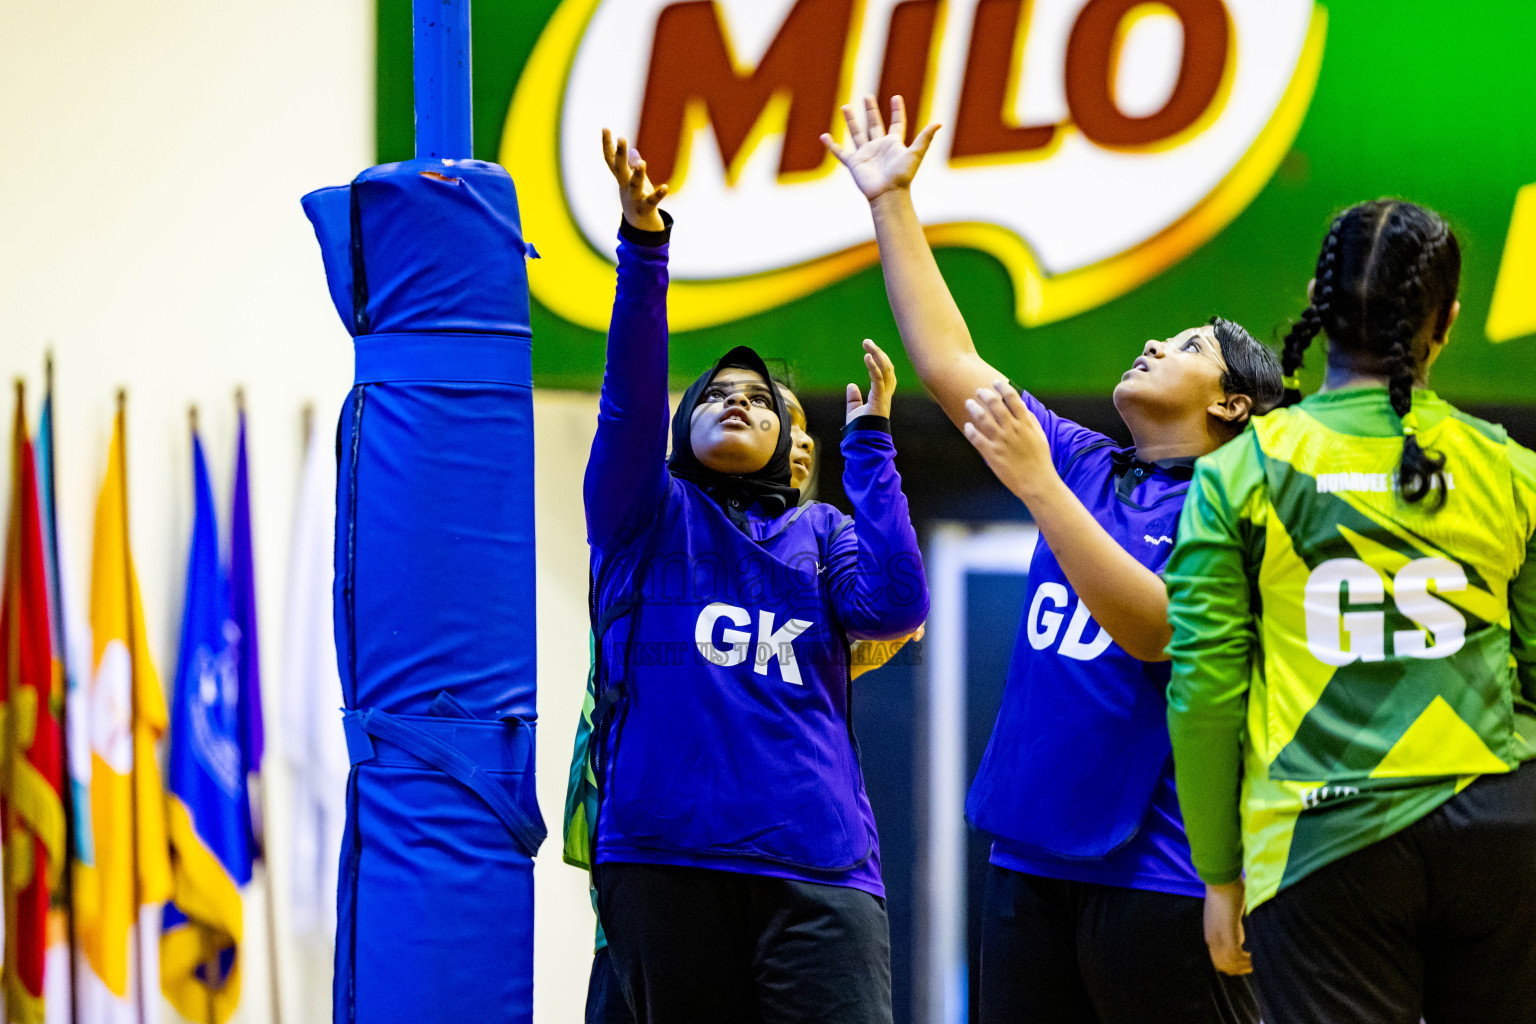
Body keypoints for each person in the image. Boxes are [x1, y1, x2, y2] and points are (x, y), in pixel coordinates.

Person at [824, 96, 1280, 1023]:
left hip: (1162, 876)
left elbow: (1157, 630)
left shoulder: (1249, 502)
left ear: (1233, 406)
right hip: (1027, 863)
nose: (1155, 341)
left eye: (1189, 346)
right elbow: (951, 361)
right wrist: (890, 203)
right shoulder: (1081, 461)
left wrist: (1037, 487)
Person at [585, 128, 928, 1024]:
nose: (735, 397)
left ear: (789, 443)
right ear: (681, 429)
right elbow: (628, 393)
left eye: (760, 398)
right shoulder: (641, 515)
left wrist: (873, 450)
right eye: (713, 394)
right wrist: (644, 247)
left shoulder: (819, 530)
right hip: (666, 863)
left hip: (820, 872)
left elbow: (898, 600)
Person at [1165, 198, 1536, 1023]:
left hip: (1322, 841)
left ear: (1315, 301)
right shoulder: (1513, 470)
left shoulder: (1245, 471)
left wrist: (1219, 874)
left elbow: (1205, 692)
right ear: (1446, 321)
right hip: (1501, 832)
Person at [564, 376, 921, 1024]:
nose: (753, 413)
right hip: (651, 855)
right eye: (736, 400)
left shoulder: (822, 542)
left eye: (783, 417)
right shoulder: (658, 523)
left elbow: (895, 618)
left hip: (790, 853)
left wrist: (866, 455)